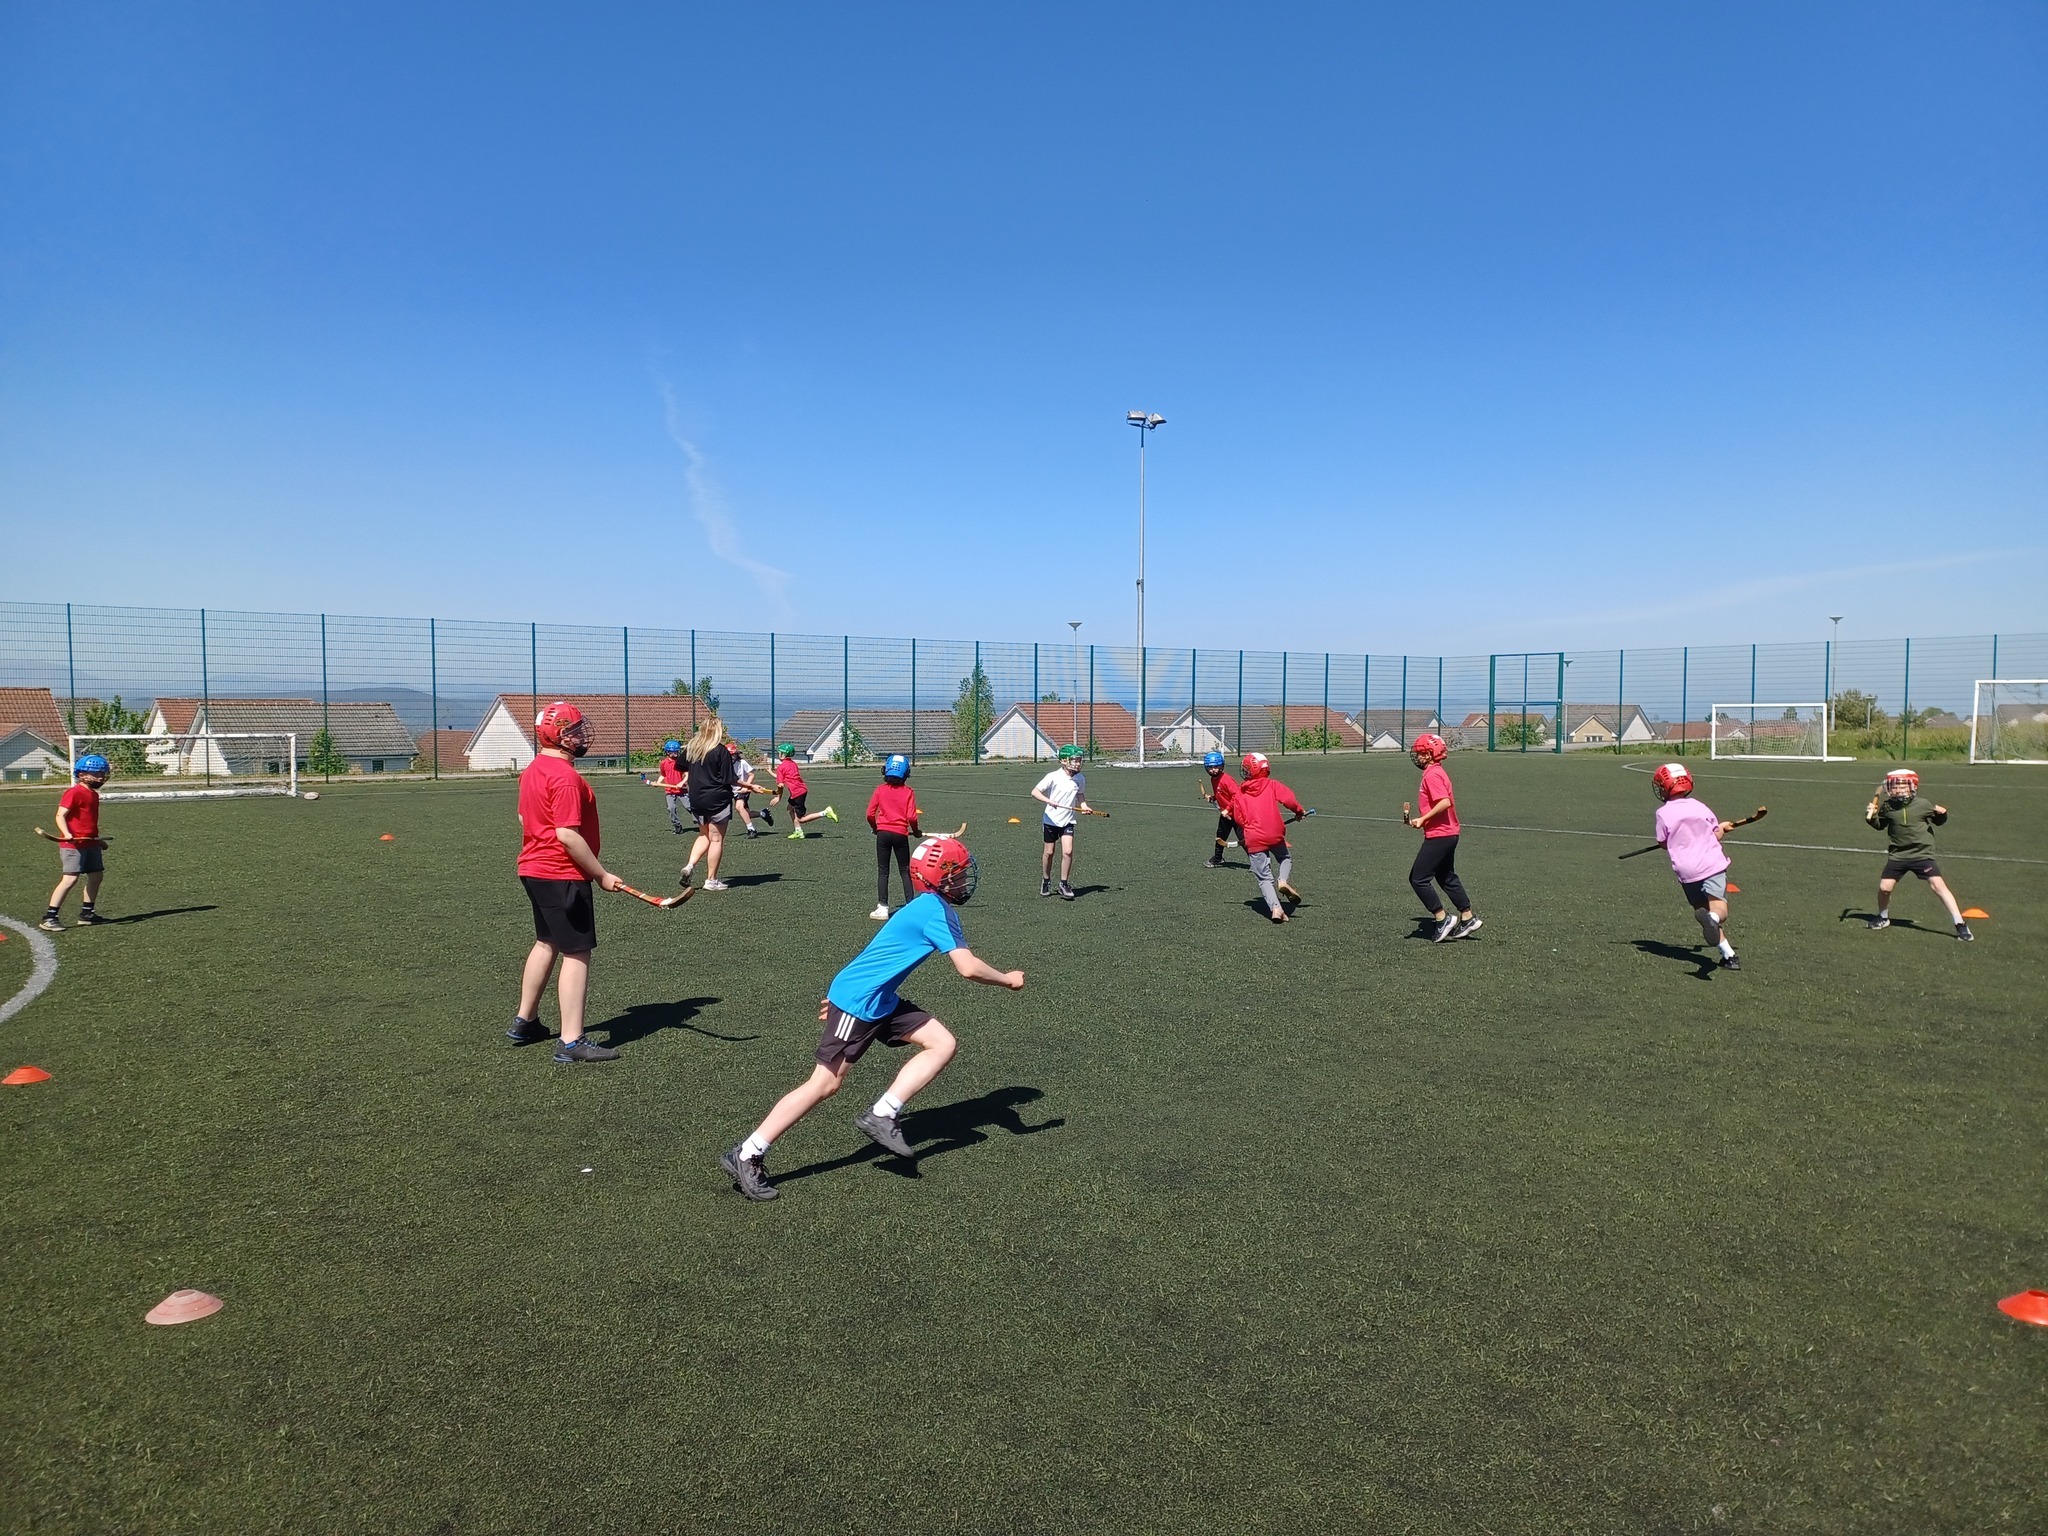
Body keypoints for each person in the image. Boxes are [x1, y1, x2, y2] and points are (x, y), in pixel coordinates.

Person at [720, 836, 1024, 1201]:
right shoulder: (935, 911)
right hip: (861, 1002)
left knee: (942, 1043)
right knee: (824, 1085)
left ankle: (883, 1112)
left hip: (877, 1000)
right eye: (956, 875)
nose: (962, 882)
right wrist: (1008, 979)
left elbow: (876, 957)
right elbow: (967, 967)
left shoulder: (929, 905)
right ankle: (748, 1152)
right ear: (936, 877)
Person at [507, 702, 632, 1061]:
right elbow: (567, 834)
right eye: (576, 729)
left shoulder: (533, 769)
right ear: (561, 735)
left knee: (546, 942)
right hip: (561, 874)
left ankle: (525, 1021)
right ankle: (572, 1041)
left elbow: (523, 817)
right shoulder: (564, 777)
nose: (582, 734)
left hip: (534, 870)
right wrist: (601, 874)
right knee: (577, 952)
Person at [1649, 761, 1741, 970]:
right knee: (1718, 909)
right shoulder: (1700, 806)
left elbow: (1663, 843)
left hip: (1687, 871)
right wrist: (1723, 829)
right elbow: (1715, 833)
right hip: (1711, 865)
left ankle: (1728, 955)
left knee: (1702, 909)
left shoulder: (1662, 813)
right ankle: (1714, 918)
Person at [1865, 769, 1972, 940]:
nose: (1898, 790)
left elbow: (1939, 821)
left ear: (1912, 787)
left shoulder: (1923, 804)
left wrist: (1942, 813)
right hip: (1898, 855)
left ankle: (1960, 924)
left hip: (1922, 854)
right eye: (1894, 787)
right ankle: (1883, 918)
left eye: (1902, 786)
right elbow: (1880, 825)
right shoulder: (1887, 806)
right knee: (1885, 888)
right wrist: (1870, 816)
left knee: (1938, 886)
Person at [1402, 733, 1481, 942]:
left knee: (1418, 878)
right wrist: (1421, 821)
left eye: (1420, 753)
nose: (1417, 757)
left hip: (1440, 835)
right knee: (1445, 876)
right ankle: (1467, 917)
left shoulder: (1432, 775)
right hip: (1449, 833)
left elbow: (1444, 802)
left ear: (1429, 754)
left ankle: (1442, 918)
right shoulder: (1437, 772)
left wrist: (1423, 818)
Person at [1231, 752, 1308, 923]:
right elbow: (1289, 800)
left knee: (1264, 878)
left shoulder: (1240, 792)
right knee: (1285, 857)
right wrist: (1299, 812)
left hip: (1253, 838)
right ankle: (1282, 880)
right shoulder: (1272, 785)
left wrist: (1249, 828)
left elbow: (1238, 818)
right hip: (1275, 833)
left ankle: (1276, 909)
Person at [40, 753, 111, 932]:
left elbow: (88, 822)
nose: (101, 777)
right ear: (81, 775)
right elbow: (60, 815)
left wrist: (97, 841)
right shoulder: (74, 792)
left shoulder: (93, 794)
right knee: (70, 879)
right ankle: (50, 917)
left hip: (89, 843)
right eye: (96, 774)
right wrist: (67, 833)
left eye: (103, 773)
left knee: (96, 875)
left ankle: (87, 914)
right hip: (73, 845)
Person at [681, 717, 741, 891]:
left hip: (696, 798)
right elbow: (729, 779)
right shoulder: (720, 750)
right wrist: (750, 786)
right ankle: (711, 880)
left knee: (703, 835)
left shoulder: (692, 748)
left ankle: (690, 866)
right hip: (717, 799)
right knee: (716, 839)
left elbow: (680, 766)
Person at [1031, 745, 1094, 899]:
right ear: (1064, 761)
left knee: (1067, 851)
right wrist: (1049, 801)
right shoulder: (1053, 776)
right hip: (1051, 820)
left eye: (1079, 761)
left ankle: (1063, 883)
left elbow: (1080, 795)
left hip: (1068, 820)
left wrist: (1084, 806)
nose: (1078, 764)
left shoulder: (1080, 778)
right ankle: (1046, 880)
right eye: (1075, 760)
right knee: (1049, 852)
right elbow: (1035, 792)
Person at [866, 753, 924, 919]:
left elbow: (870, 814)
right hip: (901, 834)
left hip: (883, 834)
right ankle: (910, 905)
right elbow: (912, 817)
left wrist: (876, 828)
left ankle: (882, 907)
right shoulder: (908, 792)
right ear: (906, 773)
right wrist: (916, 831)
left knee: (883, 871)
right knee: (905, 870)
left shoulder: (880, 790)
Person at [771, 742, 837, 839]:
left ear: (783, 754)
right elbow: (784, 778)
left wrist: (778, 798)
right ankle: (798, 831)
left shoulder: (781, 767)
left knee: (801, 819)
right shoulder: (793, 764)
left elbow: (780, 785)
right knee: (790, 808)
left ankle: (825, 812)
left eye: (779, 753)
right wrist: (771, 773)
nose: (778, 754)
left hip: (797, 793)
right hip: (801, 790)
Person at [1200, 749, 1240, 868]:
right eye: (1210, 767)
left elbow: (1236, 796)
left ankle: (1256, 863)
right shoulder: (1214, 779)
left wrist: (1227, 809)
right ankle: (1218, 858)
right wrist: (1213, 798)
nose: (1213, 770)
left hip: (1237, 814)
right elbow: (1221, 794)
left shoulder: (1226, 780)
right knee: (1220, 836)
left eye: (1216, 767)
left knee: (1244, 840)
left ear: (1222, 766)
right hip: (1225, 814)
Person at [654, 739, 690, 834]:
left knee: (689, 807)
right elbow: (663, 775)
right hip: (669, 791)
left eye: (676, 751)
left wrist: (682, 783)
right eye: (671, 752)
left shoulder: (681, 762)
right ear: (667, 752)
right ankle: (677, 826)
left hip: (682, 791)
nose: (674, 754)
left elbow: (687, 774)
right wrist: (658, 782)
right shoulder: (663, 763)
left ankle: (702, 823)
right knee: (671, 808)